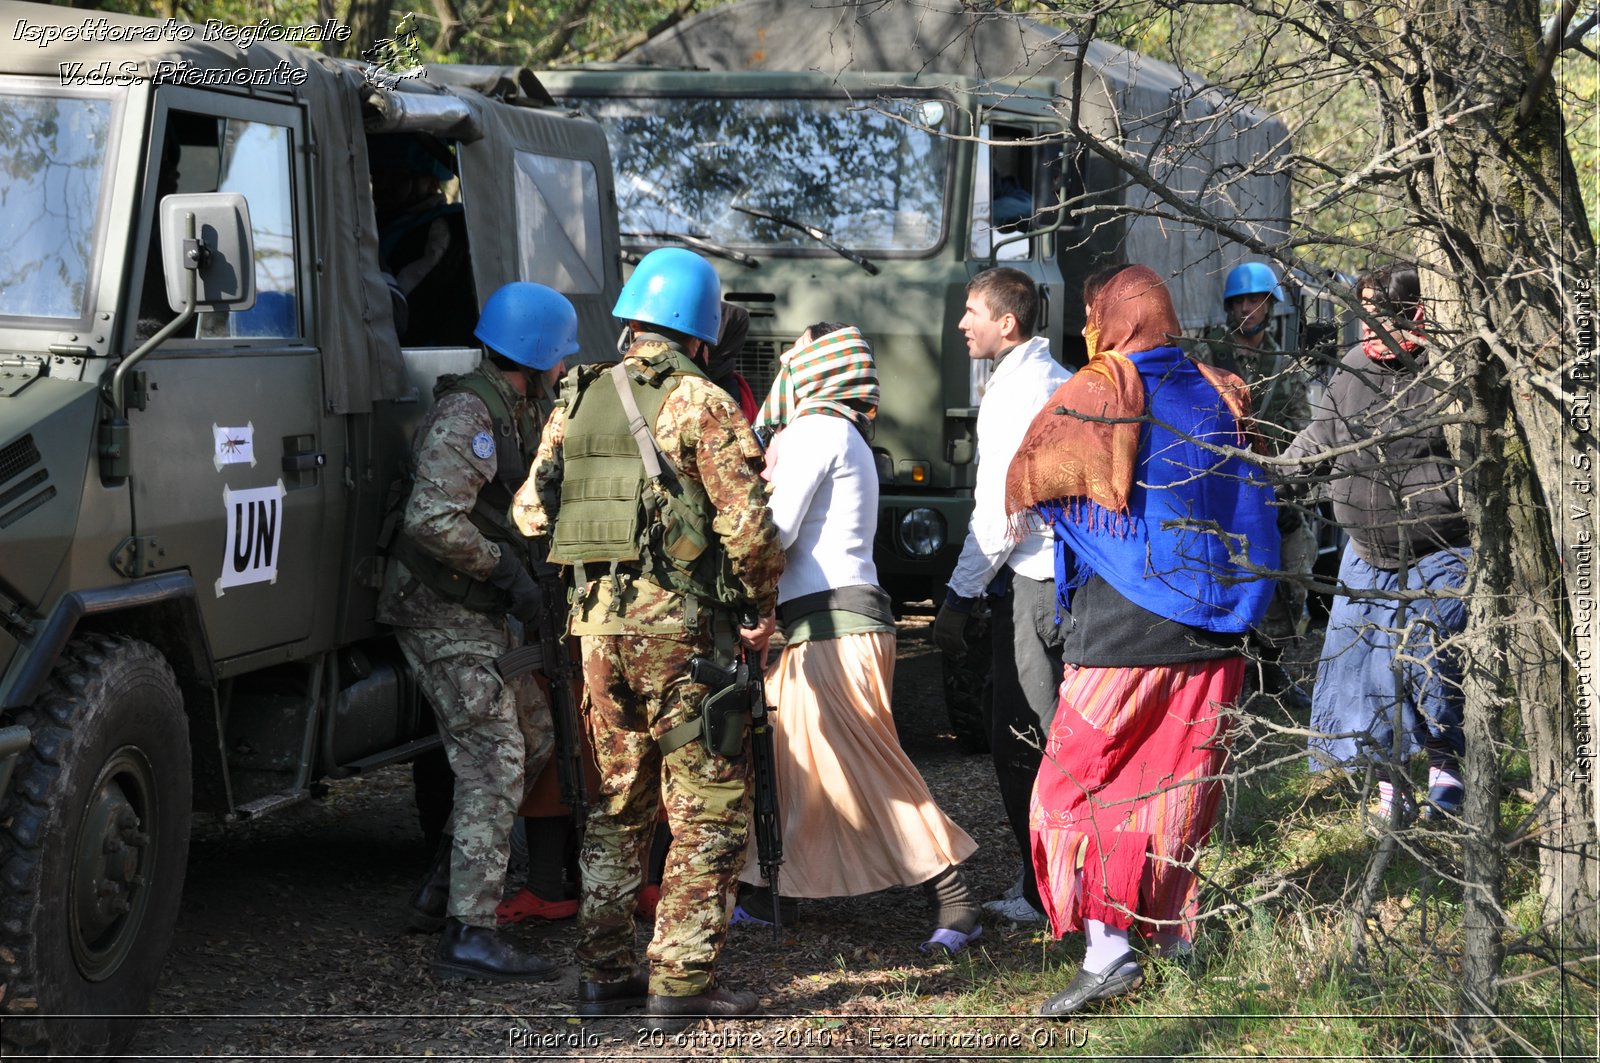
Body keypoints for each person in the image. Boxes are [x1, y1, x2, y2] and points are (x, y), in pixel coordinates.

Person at [511, 247, 784, 1028]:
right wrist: (758, 608)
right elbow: (751, 530)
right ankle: (679, 983)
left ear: (633, 318)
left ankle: (603, 976)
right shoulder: (702, 401)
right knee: (707, 807)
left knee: (615, 805)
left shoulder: (580, 394)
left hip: (595, 635)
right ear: (701, 330)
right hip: (683, 637)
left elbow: (531, 513)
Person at [1004, 264, 1279, 1016]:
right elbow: (1249, 506)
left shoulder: (1098, 388)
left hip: (1123, 632)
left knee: (1076, 788)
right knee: (1175, 787)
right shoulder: (1219, 389)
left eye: (1096, 315)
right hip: (1217, 629)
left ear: (1110, 319)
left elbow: (1031, 474)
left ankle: (1108, 951)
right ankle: (1172, 940)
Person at [735, 322, 982, 951]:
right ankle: (765, 896)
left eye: (795, 359)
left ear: (820, 368)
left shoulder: (818, 430)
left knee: (867, 766)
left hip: (833, 629)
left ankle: (956, 902)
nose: (783, 370)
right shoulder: (837, 431)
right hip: (820, 626)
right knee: (793, 765)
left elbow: (777, 531)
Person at [377, 282, 579, 981]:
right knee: (495, 754)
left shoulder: (518, 404)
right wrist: (505, 571)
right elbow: (430, 520)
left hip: (477, 608)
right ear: (541, 355)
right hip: (439, 609)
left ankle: (447, 891)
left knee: (534, 734)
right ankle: (469, 932)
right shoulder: (471, 413)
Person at [1280, 263, 1469, 822]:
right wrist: (1274, 474)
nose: (1367, 327)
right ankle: (1390, 786)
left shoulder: (1446, 371)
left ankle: (1446, 769)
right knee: (1357, 669)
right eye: (1361, 313)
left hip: (1441, 551)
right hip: (1366, 556)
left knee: (1426, 663)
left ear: (1415, 313)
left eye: (1380, 313)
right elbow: (1318, 439)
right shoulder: (1351, 371)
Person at [931, 267, 1072, 927]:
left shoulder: (1016, 394)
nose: (963, 323)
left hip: (1038, 587)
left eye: (972, 311)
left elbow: (1000, 514)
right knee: (1060, 736)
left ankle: (1048, 892)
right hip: (1075, 580)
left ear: (1007, 323)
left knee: (1023, 742)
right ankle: (1053, 879)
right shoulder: (1059, 377)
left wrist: (959, 598)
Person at [1193, 262, 1315, 709]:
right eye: (1240, 301)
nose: (1248, 308)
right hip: (1222, 491)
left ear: (1270, 306)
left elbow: (1304, 429)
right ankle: (1228, 676)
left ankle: (1272, 671)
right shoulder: (1207, 356)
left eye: (1256, 300)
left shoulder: (1284, 364)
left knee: (1290, 580)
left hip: (1275, 487)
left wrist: (1289, 490)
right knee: (1225, 583)